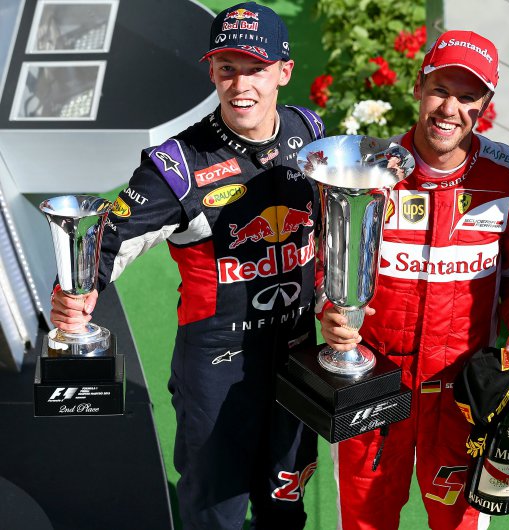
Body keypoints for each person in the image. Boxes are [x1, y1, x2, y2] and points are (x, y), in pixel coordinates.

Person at [49, 3, 325, 528]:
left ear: (284, 72)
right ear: (212, 72)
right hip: (217, 364)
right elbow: (105, 241)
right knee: (215, 511)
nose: (241, 85)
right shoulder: (176, 164)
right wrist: (76, 292)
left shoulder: (308, 129)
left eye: (256, 69)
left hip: (296, 354)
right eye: (228, 68)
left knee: (287, 502)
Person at [318, 30, 509, 529]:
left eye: (467, 97)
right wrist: (330, 310)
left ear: (485, 104)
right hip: (374, 385)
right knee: (364, 521)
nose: (450, 109)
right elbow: (325, 266)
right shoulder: (365, 170)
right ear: (418, 88)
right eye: (440, 90)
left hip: (464, 393)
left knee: (460, 523)